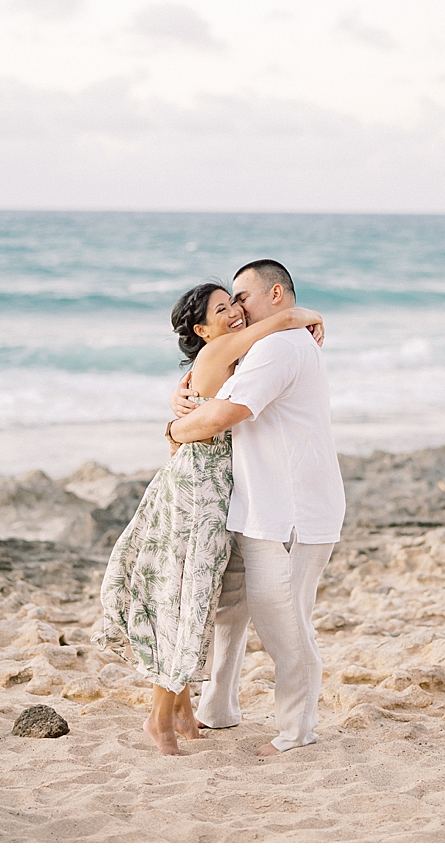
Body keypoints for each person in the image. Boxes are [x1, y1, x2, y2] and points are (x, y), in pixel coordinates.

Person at [97, 281, 324, 756]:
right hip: (199, 490)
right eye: (224, 308)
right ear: (201, 328)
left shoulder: (236, 357)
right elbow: (279, 320)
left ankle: (181, 705)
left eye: (238, 301)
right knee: (188, 600)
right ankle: (159, 718)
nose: (237, 312)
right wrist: (310, 317)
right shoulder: (221, 349)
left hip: (221, 490)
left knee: (195, 597)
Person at [168, 259, 346, 758]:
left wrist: (172, 430)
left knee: (284, 621)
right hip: (255, 507)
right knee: (230, 612)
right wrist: (181, 399)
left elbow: (224, 414)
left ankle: (296, 731)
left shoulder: (281, 347)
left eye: (241, 297)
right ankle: (217, 708)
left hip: (290, 513)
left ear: (274, 295)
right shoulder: (266, 345)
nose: (237, 308)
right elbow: (209, 383)